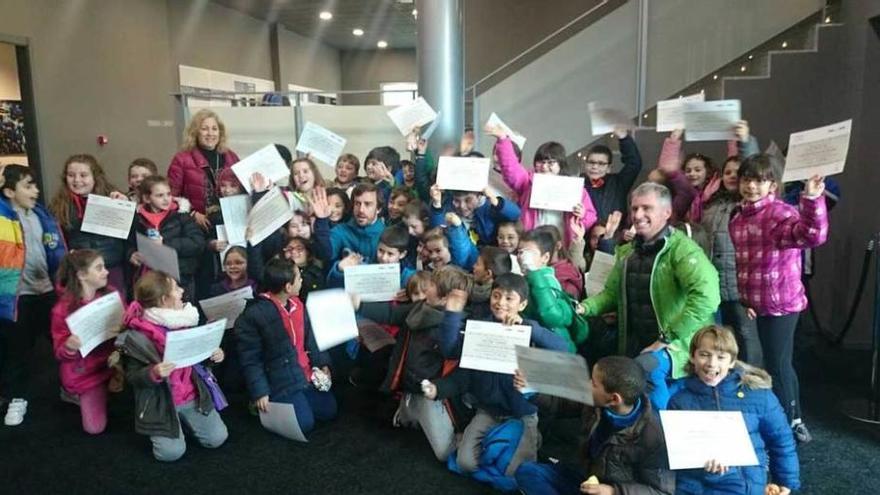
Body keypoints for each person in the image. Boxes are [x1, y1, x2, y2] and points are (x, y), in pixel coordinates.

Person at [578, 182, 720, 411]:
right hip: (636, 341)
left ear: (667, 213)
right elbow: (611, 294)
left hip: (678, 344)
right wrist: (584, 308)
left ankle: (659, 431)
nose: (638, 215)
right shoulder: (626, 252)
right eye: (634, 209)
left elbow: (707, 297)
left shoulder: (683, 250)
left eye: (647, 208)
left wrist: (667, 337)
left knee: (647, 368)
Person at [422, 274, 568, 481]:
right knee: (465, 463)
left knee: (515, 473)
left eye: (509, 299)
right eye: (496, 296)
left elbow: (562, 349)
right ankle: (500, 443)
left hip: (522, 413)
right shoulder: (481, 328)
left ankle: (531, 439)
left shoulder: (527, 330)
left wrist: (528, 327)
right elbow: (455, 356)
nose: (500, 303)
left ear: (523, 304)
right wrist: (452, 314)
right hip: (488, 411)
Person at [729, 155, 828, 442]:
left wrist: (811, 198)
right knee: (778, 362)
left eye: (760, 181)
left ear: (772, 184)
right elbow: (744, 263)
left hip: (782, 303)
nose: (752, 186)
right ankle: (793, 418)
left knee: (778, 363)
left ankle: (789, 424)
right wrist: (746, 300)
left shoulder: (779, 213)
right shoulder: (738, 217)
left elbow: (812, 235)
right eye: (747, 179)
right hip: (756, 303)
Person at [354, 266, 473, 461]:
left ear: (445, 299)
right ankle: (408, 412)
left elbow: (449, 349)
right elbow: (392, 314)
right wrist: (359, 304)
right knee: (397, 416)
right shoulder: (421, 307)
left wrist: (452, 315)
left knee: (444, 453)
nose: (427, 288)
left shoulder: (454, 325)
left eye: (433, 285)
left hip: (431, 394)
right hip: (410, 385)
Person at [514, 355, 675, 495]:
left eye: (594, 383)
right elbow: (561, 402)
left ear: (614, 399)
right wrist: (531, 389)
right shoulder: (595, 401)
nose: (587, 384)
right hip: (585, 477)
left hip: (611, 490)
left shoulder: (654, 435)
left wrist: (614, 491)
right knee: (528, 472)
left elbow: (660, 491)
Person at [668, 326, 799, 494]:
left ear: (731, 362)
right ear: (693, 357)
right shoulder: (679, 401)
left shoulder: (759, 395)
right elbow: (677, 456)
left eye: (721, 357)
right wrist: (706, 471)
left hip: (746, 486)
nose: (711, 363)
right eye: (704, 354)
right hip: (696, 487)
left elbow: (781, 440)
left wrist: (785, 482)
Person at [117, 271, 228, 461]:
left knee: (218, 438)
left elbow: (197, 359)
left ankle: (184, 423)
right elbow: (132, 377)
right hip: (161, 401)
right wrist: (154, 372)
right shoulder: (137, 337)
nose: (182, 291)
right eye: (176, 289)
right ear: (163, 299)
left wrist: (213, 354)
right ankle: (175, 426)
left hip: (191, 394)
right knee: (170, 454)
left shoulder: (185, 318)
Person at [235, 258, 337, 435]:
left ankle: (300, 399)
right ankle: (259, 404)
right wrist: (260, 392)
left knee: (329, 411)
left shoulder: (298, 304)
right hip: (279, 378)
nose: (302, 280)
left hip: (304, 372)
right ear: (288, 287)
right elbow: (251, 358)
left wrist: (321, 363)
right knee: (304, 425)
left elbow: (311, 338)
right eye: (299, 277)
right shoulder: (253, 315)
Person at [0, 164, 66, 426]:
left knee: (59, 342)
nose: (35, 190)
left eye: (35, 185)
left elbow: (54, 249)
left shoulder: (43, 215)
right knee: (17, 350)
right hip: (17, 298)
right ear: (9, 191)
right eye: (27, 185)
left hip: (47, 291)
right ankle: (17, 397)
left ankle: (74, 387)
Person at [699, 152, 763, 367]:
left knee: (747, 339)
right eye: (727, 172)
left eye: (738, 173)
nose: (732, 176)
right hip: (713, 285)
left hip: (740, 288)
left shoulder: (751, 207)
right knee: (716, 339)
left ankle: (751, 380)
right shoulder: (711, 205)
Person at [487, 124, 597, 247]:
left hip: (562, 246)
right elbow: (511, 169)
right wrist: (503, 140)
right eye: (540, 162)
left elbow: (591, 218)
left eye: (550, 162)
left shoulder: (575, 189)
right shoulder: (528, 182)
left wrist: (582, 215)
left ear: (560, 164)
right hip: (532, 244)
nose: (544, 167)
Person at [50, 250, 119, 434]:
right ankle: (73, 394)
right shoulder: (61, 310)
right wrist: (69, 347)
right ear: (81, 275)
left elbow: (125, 320)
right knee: (94, 428)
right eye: (99, 268)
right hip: (86, 373)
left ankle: (108, 390)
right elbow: (59, 353)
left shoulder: (110, 294)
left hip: (113, 362)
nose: (106, 272)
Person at [48, 154, 128, 296]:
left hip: (111, 269)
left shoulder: (113, 197)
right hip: (80, 274)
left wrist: (127, 208)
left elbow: (130, 236)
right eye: (71, 175)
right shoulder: (59, 205)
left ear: (95, 177)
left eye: (83, 175)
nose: (77, 180)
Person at [128, 176, 206, 301]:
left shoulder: (181, 216)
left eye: (168, 194)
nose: (166, 199)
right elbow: (129, 243)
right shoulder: (137, 219)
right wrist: (131, 254)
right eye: (159, 195)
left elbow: (197, 243)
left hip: (180, 277)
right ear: (147, 198)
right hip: (150, 278)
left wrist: (165, 243)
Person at [167, 108, 240, 231]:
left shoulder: (231, 156)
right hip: (197, 225)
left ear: (220, 132)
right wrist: (192, 214)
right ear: (195, 132)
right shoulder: (181, 159)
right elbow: (170, 196)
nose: (210, 133)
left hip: (230, 221)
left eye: (214, 129)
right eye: (204, 129)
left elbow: (243, 189)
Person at [311, 183, 385, 266]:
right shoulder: (341, 231)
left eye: (367, 204)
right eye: (357, 203)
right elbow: (324, 254)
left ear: (378, 209)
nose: (361, 210)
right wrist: (321, 220)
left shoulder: (387, 234)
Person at [581, 127, 644, 223]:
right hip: (585, 236)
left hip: (617, 235)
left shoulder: (618, 183)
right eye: (591, 162)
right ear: (585, 164)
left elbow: (634, 163)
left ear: (609, 168)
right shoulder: (578, 185)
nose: (595, 167)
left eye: (601, 163)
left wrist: (624, 137)